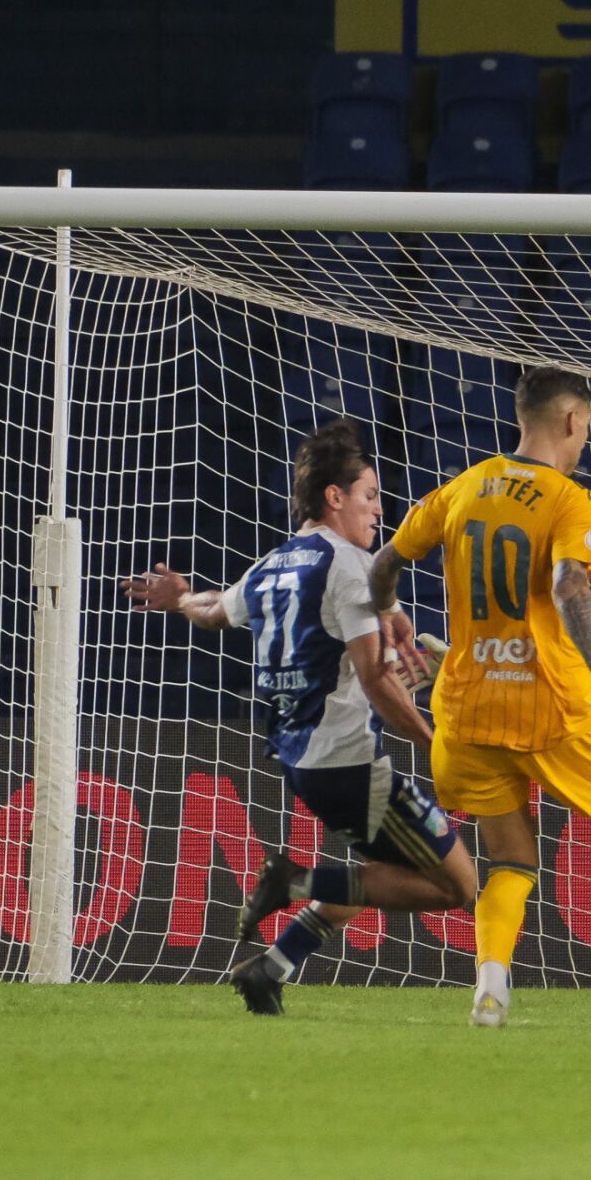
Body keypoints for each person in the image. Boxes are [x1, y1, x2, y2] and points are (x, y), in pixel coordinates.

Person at [370, 366, 591, 1025]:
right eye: (585, 425)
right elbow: (567, 584)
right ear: (571, 421)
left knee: (508, 857)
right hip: (551, 706)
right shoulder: (571, 499)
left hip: (468, 709)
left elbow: (384, 564)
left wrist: (389, 613)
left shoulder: (460, 489)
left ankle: (491, 985)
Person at [124, 420, 477, 1017]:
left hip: (301, 762)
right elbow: (375, 678)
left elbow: (215, 610)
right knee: (459, 886)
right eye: (369, 495)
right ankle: (294, 883)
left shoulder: (275, 562)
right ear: (334, 497)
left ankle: (271, 968)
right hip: (350, 762)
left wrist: (179, 597)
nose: (378, 510)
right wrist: (437, 743)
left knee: (379, 872)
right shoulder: (349, 568)